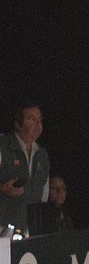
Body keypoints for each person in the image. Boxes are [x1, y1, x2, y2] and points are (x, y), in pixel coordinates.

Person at [0, 101, 49, 235]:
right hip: (3, 229)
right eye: (31, 119)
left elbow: (43, 197)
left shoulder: (42, 155)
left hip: (29, 231)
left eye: (39, 120)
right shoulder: (3, 147)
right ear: (17, 124)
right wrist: (3, 188)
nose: (38, 124)